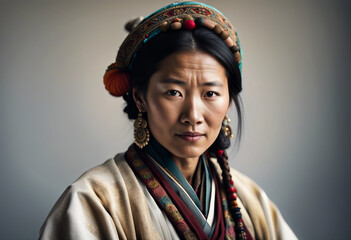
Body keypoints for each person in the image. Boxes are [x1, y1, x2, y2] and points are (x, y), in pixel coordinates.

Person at [39, 1, 297, 239]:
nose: (193, 116)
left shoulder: (247, 198)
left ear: (228, 101)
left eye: (210, 93)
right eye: (174, 92)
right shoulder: (94, 202)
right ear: (140, 98)